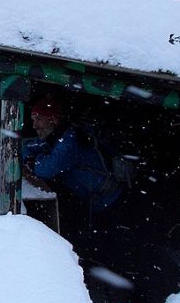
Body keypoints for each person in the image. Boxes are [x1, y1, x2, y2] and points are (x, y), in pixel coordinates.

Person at [21, 95, 123, 258]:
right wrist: (31, 157)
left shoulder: (69, 141)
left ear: (53, 120)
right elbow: (27, 146)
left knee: (110, 249)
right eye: (33, 119)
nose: (34, 125)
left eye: (39, 119)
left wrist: (33, 162)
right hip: (94, 201)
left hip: (109, 203)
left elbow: (46, 169)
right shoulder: (55, 136)